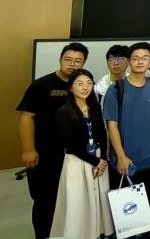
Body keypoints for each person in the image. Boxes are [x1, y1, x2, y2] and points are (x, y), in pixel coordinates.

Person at [18, 42, 88, 239]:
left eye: (78, 61)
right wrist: (28, 149)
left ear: (83, 63)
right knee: (45, 202)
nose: (72, 64)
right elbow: (26, 117)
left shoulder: (83, 86)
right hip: (45, 154)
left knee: (71, 200)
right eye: (68, 59)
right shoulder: (41, 85)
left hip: (74, 156)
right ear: (60, 60)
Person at [104, 42, 150, 239]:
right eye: (135, 58)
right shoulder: (116, 89)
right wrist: (121, 156)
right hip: (124, 162)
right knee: (126, 213)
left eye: (144, 58)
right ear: (129, 61)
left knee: (149, 208)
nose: (139, 62)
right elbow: (112, 125)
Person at [51, 68, 114, 239]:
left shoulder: (95, 108)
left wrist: (103, 159)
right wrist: (96, 161)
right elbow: (70, 144)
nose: (85, 87)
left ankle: (97, 232)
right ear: (71, 88)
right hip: (77, 162)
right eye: (79, 84)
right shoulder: (64, 112)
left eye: (89, 83)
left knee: (98, 199)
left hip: (98, 161)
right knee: (78, 201)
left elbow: (102, 134)